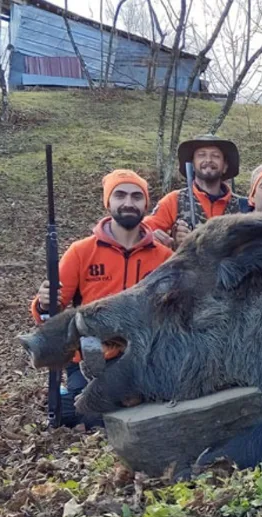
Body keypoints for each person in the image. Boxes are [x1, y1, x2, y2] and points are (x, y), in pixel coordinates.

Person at [30, 170, 173, 428]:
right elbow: (50, 312)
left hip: (143, 357)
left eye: (136, 196)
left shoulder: (164, 256)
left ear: (146, 204)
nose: (128, 203)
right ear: (108, 202)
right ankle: (71, 398)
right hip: (91, 359)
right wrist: (43, 302)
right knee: (94, 416)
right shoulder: (81, 251)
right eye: (120, 195)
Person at [143, 134, 249, 248]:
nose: (208, 160)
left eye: (216, 156)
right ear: (192, 164)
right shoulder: (173, 200)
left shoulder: (244, 207)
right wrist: (169, 242)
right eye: (201, 155)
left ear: (225, 166)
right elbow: (142, 234)